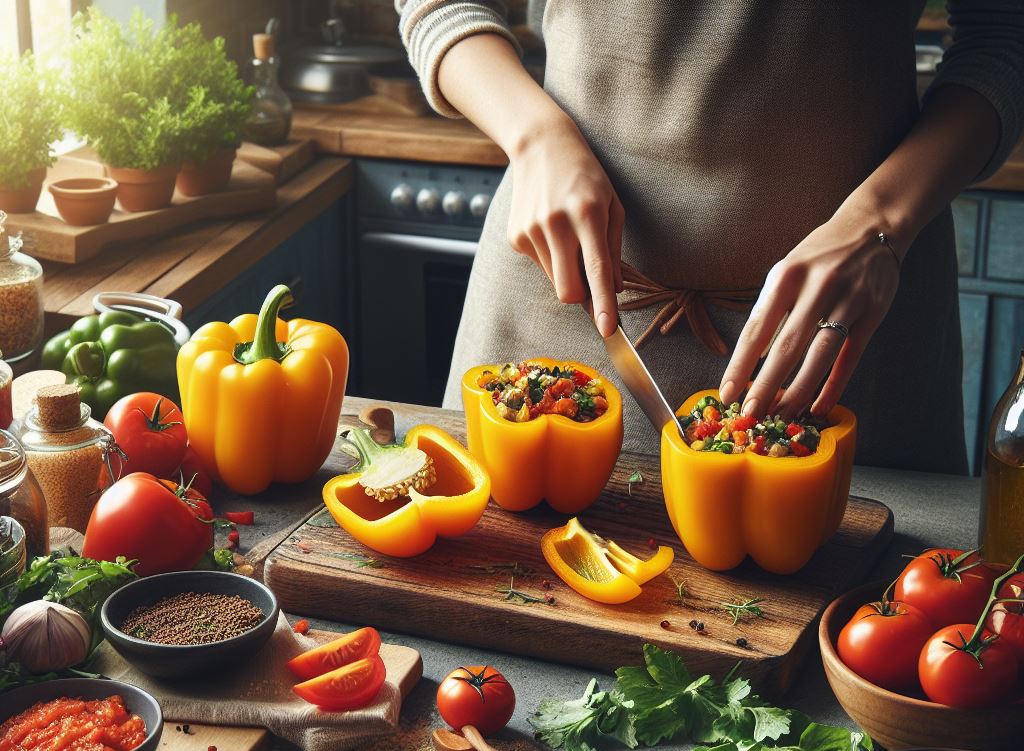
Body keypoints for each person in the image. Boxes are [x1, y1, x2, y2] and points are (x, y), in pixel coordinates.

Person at [395, 1, 1024, 473]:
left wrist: (882, 218)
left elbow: (1007, 36)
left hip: (849, 347)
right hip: (564, 312)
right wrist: (533, 135)